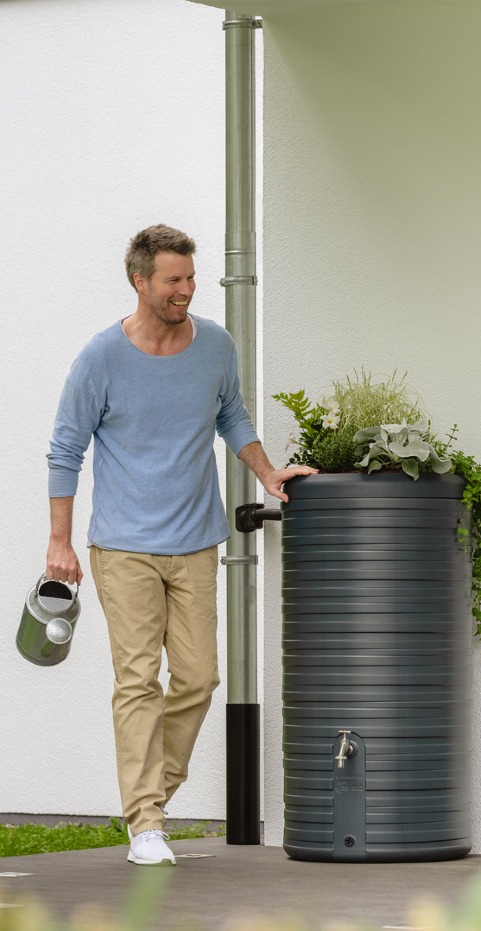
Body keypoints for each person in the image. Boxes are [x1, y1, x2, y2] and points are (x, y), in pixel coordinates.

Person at [46, 224, 316, 866]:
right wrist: (60, 543)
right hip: (124, 547)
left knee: (198, 678)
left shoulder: (215, 345)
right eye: (174, 279)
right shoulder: (100, 358)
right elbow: (65, 450)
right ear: (140, 281)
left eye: (190, 278)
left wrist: (266, 473)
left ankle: (151, 800)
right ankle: (145, 822)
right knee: (138, 680)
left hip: (196, 541)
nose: (186, 290)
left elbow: (231, 415)